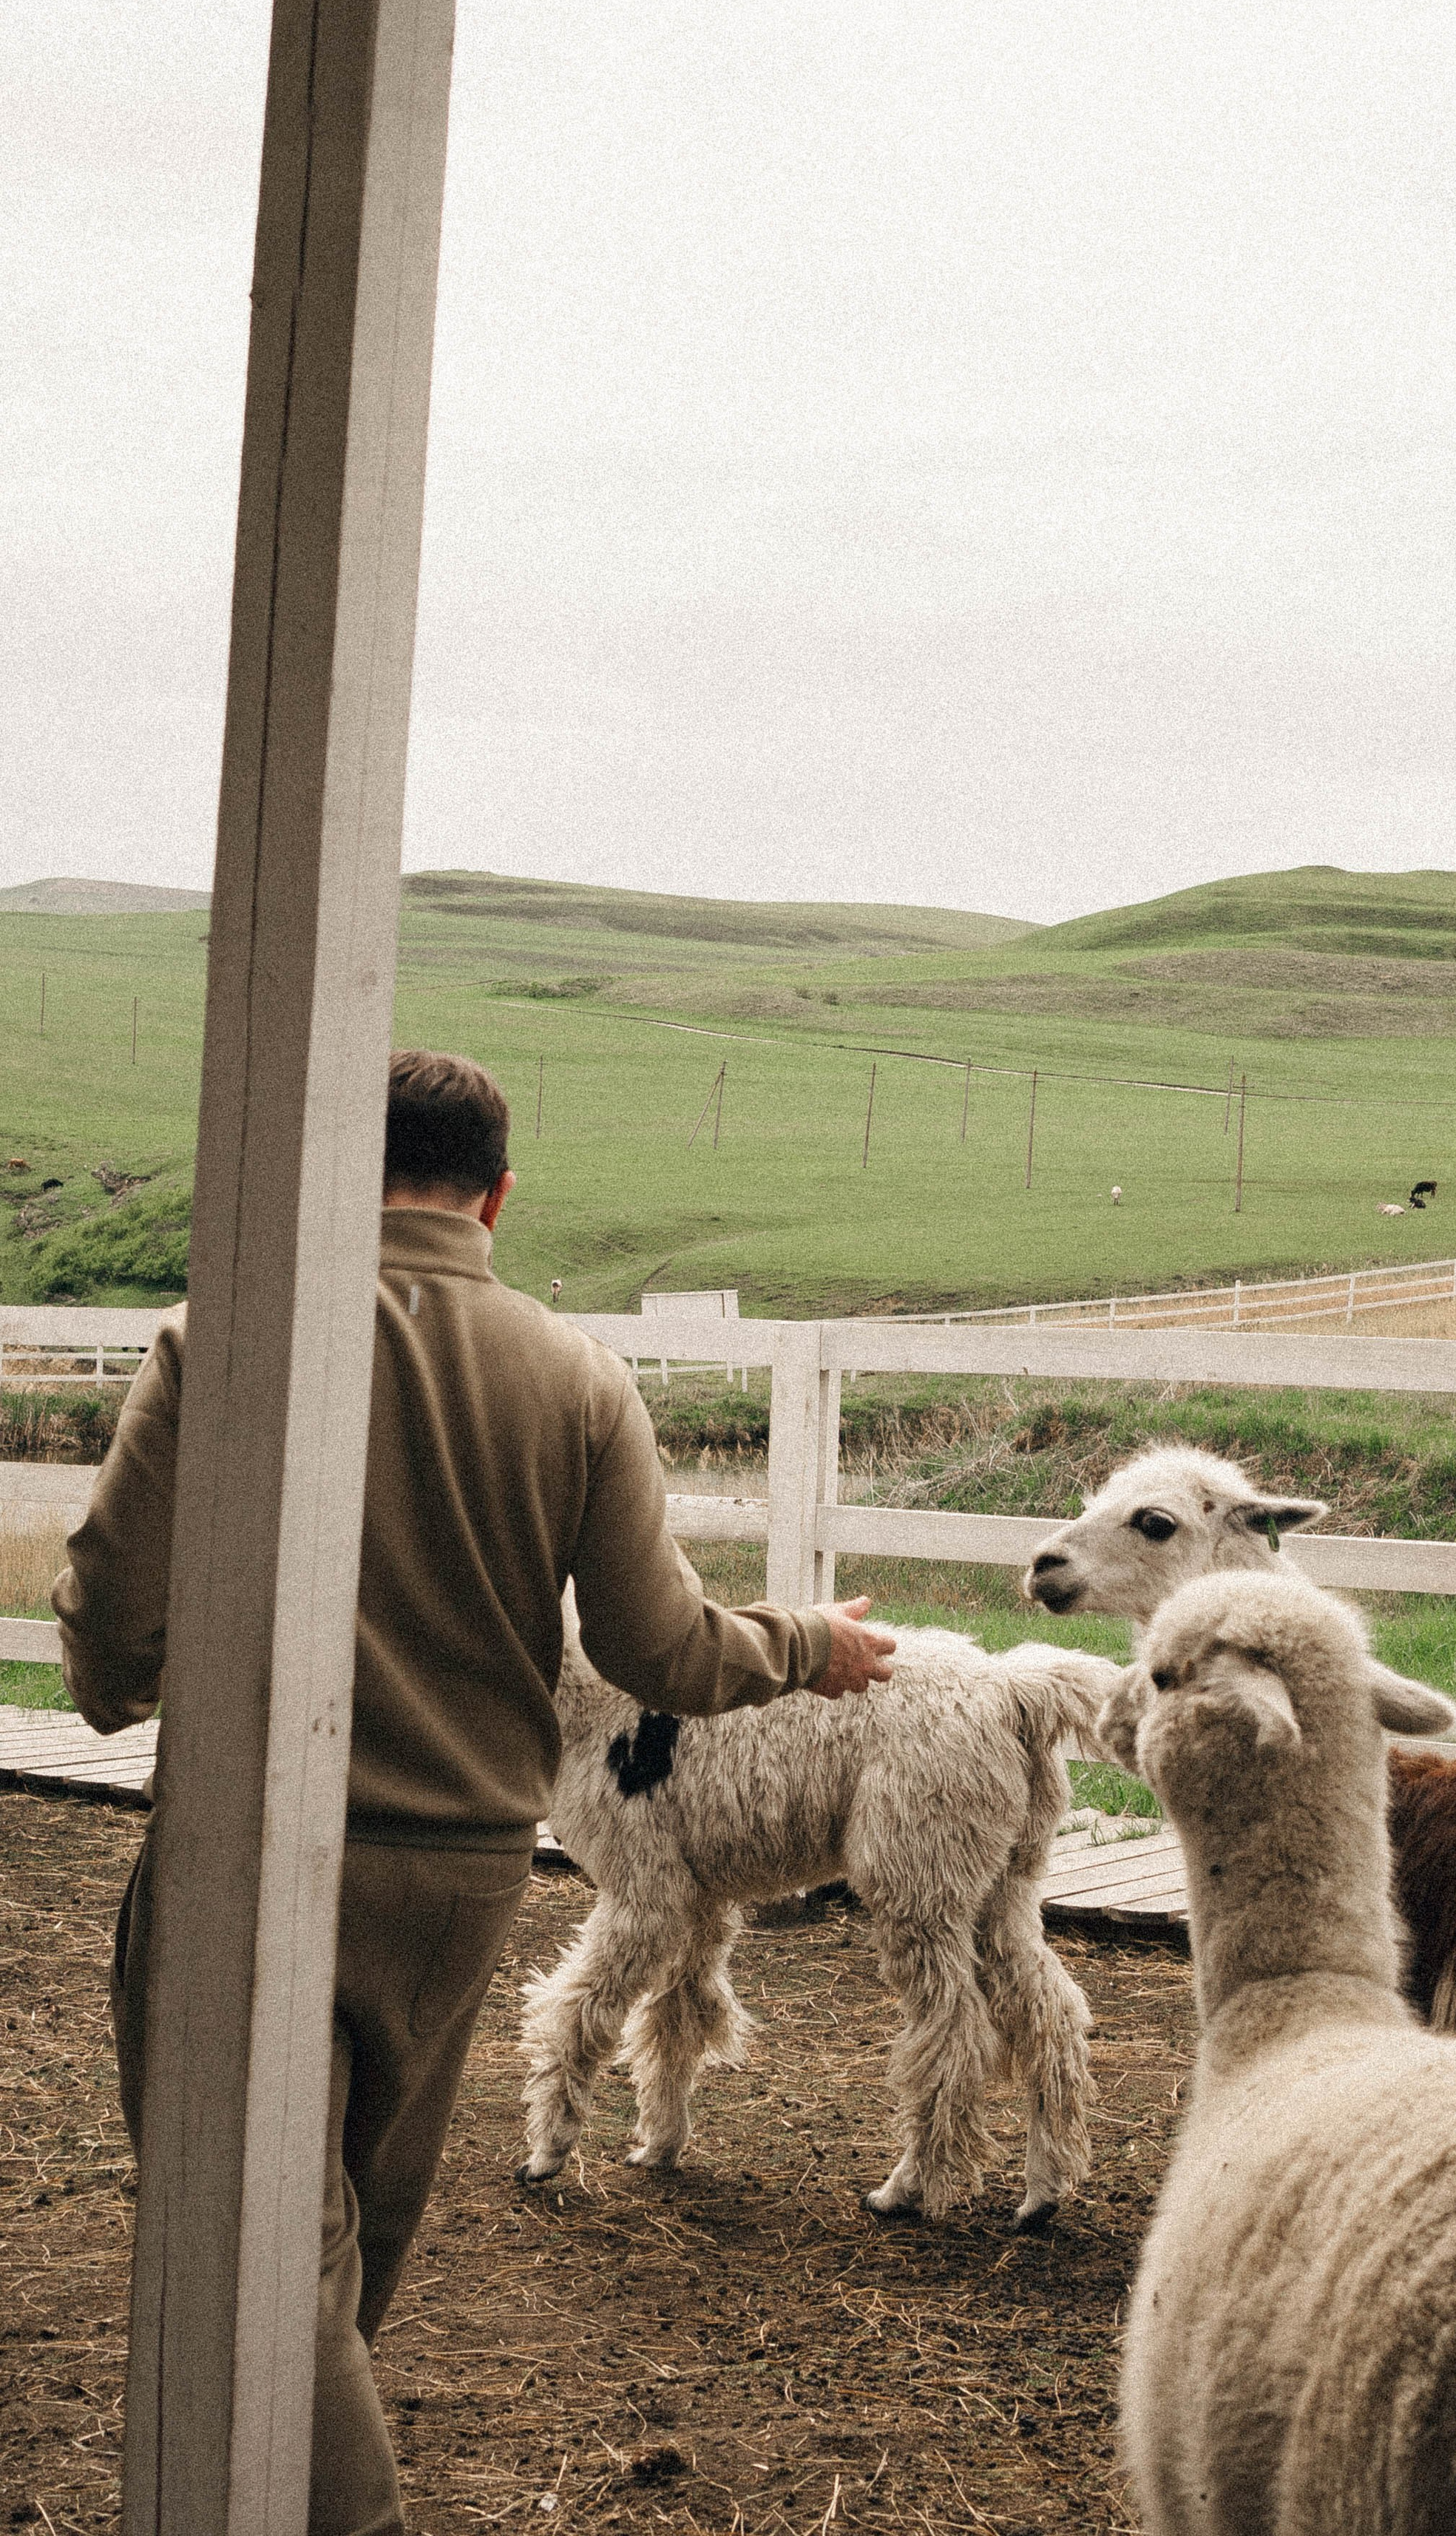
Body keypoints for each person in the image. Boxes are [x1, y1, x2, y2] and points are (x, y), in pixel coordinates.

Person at [54, 1048, 895, 2536]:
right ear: (497, 1193)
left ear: (331, 1168)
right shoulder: (575, 1375)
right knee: (349, 2252)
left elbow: (119, 1602)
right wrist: (807, 1645)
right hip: (456, 1874)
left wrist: (117, 1689)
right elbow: (656, 1649)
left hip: (251, 1862)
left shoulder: (223, 1337)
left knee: (266, 2263)